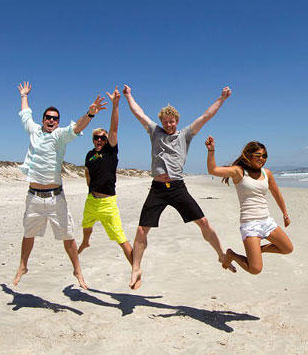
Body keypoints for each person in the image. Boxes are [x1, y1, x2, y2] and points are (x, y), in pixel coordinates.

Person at [122, 84, 236, 289]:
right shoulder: (154, 132)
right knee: (141, 230)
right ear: (161, 122)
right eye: (165, 122)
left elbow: (205, 116)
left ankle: (221, 255)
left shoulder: (185, 135)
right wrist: (129, 96)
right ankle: (136, 267)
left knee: (203, 222)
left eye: (171, 121)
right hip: (157, 189)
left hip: (177, 188)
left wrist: (222, 98)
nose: (168, 125)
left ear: (177, 121)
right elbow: (138, 113)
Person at [12, 81, 107, 289]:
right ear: (43, 119)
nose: (51, 120)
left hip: (56, 198)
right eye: (48, 117)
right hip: (34, 197)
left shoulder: (59, 136)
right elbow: (25, 114)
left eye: (55, 118)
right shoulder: (34, 131)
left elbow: (77, 127)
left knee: (68, 236)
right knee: (28, 234)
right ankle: (22, 266)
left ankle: (77, 270)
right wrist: (24, 95)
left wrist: (90, 114)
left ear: (58, 122)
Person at [205, 136, 293, 274]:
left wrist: (285, 214)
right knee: (255, 269)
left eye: (265, 156)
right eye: (258, 155)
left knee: (287, 248)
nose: (262, 158)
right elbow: (213, 170)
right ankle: (231, 255)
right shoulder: (238, 171)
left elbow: (277, 194)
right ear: (248, 155)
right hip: (250, 224)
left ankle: (257, 251)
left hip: (267, 221)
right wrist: (211, 150)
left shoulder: (267, 173)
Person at [78, 87, 133, 265]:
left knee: (121, 239)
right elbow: (87, 172)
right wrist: (90, 189)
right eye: (96, 138)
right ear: (93, 139)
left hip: (108, 203)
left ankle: (135, 267)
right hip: (92, 200)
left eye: (102, 137)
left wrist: (115, 104)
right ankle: (86, 242)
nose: (99, 140)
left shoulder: (110, 150)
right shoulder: (89, 154)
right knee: (86, 224)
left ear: (107, 138)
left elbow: (114, 127)